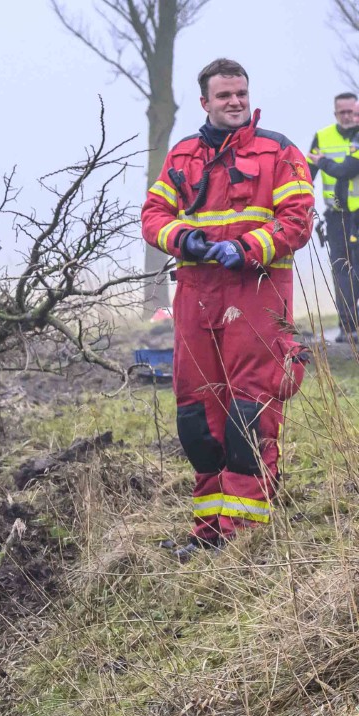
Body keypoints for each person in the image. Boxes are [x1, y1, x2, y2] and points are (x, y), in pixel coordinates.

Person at [142, 57, 314, 552]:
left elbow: (297, 221)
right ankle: (208, 531)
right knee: (197, 419)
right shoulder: (183, 154)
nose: (235, 101)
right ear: (205, 102)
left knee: (248, 412)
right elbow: (153, 214)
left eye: (240, 92)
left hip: (256, 293)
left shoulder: (279, 151)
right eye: (224, 95)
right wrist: (188, 241)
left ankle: (244, 536)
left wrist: (245, 248)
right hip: (196, 293)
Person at [310, 93, 359, 342]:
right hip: (336, 216)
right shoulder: (322, 136)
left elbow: (346, 170)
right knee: (341, 270)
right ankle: (348, 328)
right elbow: (307, 174)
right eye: (343, 112)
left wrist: (324, 162)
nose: (348, 117)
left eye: (353, 112)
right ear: (335, 113)